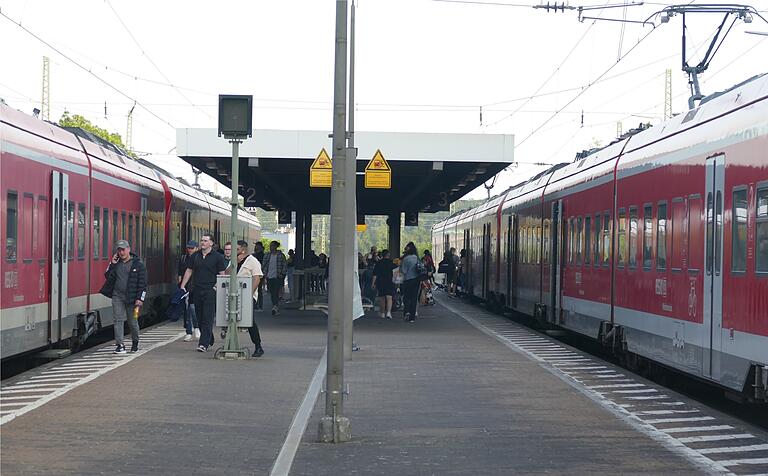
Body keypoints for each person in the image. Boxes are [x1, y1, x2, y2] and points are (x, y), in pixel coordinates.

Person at [180, 234, 227, 352]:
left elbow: (222, 274)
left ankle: (203, 344)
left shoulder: (217, 257)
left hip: (210, 290)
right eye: (201, 240)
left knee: (208, 317)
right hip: (197, 289)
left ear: (211, 243)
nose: (202, 243)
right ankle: (209, 338)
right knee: (199, 317)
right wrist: (183, 285)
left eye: (205, 241)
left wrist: (216, 287)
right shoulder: (195, 256)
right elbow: (189, 270)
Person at [99, 240, 148, 354]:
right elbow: (107, 276)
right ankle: (120, 345)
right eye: (119, 250)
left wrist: (140, 299)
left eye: (123, 250)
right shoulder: (116, 264)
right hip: (118, 297)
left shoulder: (138, 265)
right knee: (118, 320)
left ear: (129, 249)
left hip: (133, 299)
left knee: (133, 321)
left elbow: (143, 284)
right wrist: (112, 264)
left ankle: (135, 342)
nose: (121, 252)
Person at [229, 240, 265, 357]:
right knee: (230, 318)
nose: (234, 251)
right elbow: (226, 273)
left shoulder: (253, 261)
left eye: (237, 249)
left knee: (249, 321)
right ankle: (230, 343)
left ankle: (258, 346)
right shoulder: (233, 261)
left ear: (243, 250)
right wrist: (234, 263)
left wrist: (250, 294)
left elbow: (257, 278)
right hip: (234, 295)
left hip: (247, 294)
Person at [178, 240, 200, 342]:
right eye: (188, 248)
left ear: (196, 248)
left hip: (196, 287)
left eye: (192, 248)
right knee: (187, 310)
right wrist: (181, 286)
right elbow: (180, 273)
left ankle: (196, 327)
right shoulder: (183, 258)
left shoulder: (199, 258)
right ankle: (189, 332)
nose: (189, 250)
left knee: (192, 308)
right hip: (185, 288)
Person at [262, 240, 287, 316]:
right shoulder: (267, 255)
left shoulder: (281, 255)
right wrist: (263, 274)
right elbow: (264, 265)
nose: (271, 247)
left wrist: (282, 273)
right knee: (271, 292)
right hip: (269, 276)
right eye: (270, 246)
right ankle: (275, 305)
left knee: (275, 291)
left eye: (272, 246)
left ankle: (275, 306)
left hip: (277, 276)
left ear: (276, 246)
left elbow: (284, 265)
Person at [399, 242, 420, 323]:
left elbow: (403, 271)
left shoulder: (406, 259)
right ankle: (412, 317)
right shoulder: (416, 258)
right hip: (416, 280)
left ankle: (406, 312)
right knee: (414, 298)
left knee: (407, 297)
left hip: (407, 280)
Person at [371, 249, 397, 319]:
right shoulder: (392, 263)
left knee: (382, 298)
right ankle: (388, 312)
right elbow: (396, 273)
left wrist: (373, 283)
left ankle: (382, 313)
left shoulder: (378, 263)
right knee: (389, 297)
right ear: (388, 255)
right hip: (390, 281)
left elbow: (375, 274)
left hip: (381, 281)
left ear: (382, 255)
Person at [252, 241, 266, 310]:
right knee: (258, 290)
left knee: (258, 290)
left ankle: (258, 305)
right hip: (258, 273)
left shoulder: (259, 255)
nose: (255, 247)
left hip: (258, 273)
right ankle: (258, 305)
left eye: (256, 245)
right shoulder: (256, 255)